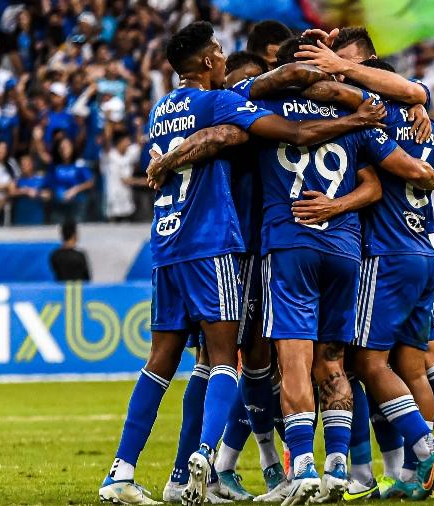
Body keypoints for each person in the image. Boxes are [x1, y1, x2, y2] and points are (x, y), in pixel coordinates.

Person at [100, 21, 386, 506]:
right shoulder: (220, 102)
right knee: (223, 357)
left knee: (163, 362)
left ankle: (122, 473)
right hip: (214, 244)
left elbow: (239, 109)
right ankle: (205, 462)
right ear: (211, 62)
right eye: (218, 51)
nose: (222, 55)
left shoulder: (159, 110)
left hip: (166, 245)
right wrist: (354, 116)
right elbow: (295, 130)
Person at [298, 29, 434, 500]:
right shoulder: (427, 125)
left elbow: (392, 168)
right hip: (424, 253)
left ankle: (428, 454)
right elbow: (417, 101)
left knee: (365, 361)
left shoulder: (371, 123)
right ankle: (419, 472)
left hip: (388, 255)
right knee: (413, 366)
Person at [45, 137, 94, 223]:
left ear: (72, 148)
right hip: (59, 206)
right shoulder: (54, 167)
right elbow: (49, 184)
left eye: (67, 147)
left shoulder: (79, 165)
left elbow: (90, 182)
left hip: (77, 205)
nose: (65, 150)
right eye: (62, 148)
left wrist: (75, 190)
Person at [99, 130, 139, 222]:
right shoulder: (109, 156)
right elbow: (106, 145)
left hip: (127, 204)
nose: (129, 143)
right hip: (113, 204)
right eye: (126, 141)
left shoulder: (128, 155)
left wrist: (139, 127)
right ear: (120, 142)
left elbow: (138, 146)